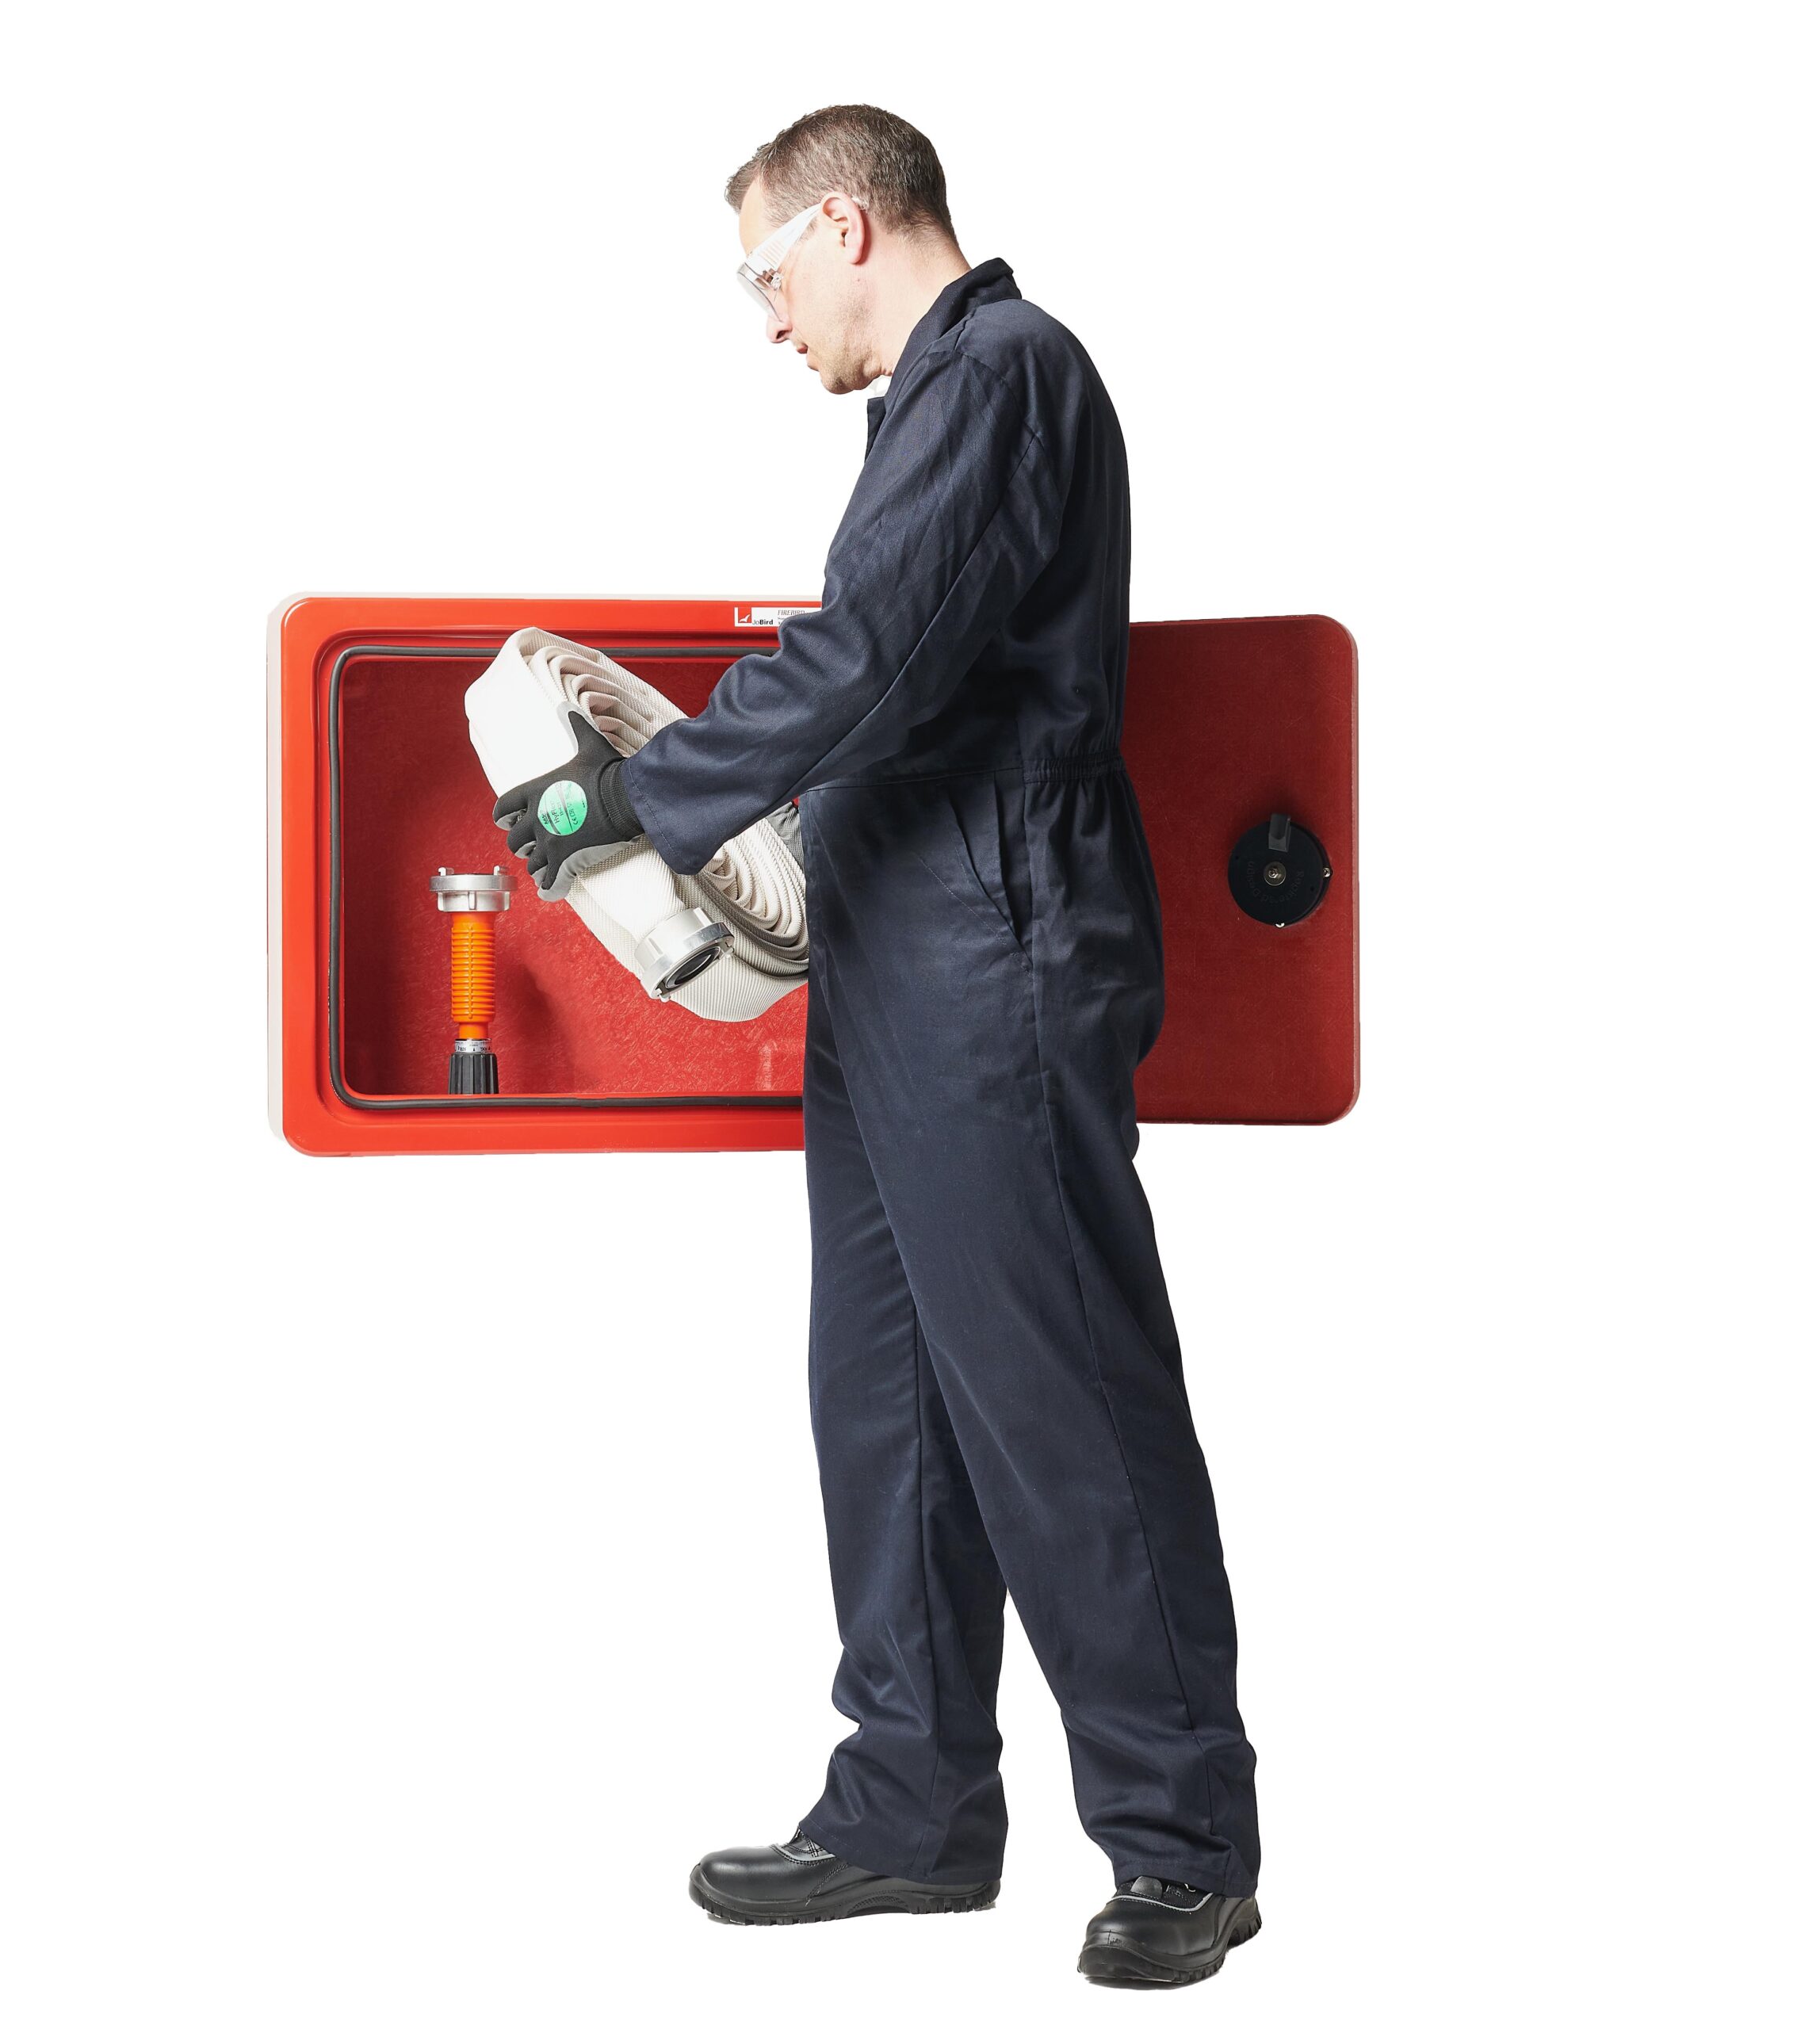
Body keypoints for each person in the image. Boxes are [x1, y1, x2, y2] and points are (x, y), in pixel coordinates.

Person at [491, 104, 1261, 1990]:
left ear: (845, 224)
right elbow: (879, 662)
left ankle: (1181, 1843)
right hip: (895, 933)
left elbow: (875, 654)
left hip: (995, 935)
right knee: (888, 1393)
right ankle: (910, 1800)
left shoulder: (999, 370)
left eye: (763, 273)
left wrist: (636, 800)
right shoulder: (923, 406)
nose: (765, 319)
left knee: (1056, 1394)